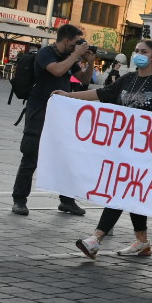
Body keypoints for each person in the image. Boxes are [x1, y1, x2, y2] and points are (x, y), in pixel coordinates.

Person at [59, 39, 152, 259]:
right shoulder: (128, 79)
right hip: (123, 149)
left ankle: (96, 239)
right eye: (136, 51)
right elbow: (101, 94)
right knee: (131, 195)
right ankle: (142, 243)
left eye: (144, 52)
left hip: (145, 152)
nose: (138, 54)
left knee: (121, 193)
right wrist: (68, 96)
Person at [11, 24, 96, 216]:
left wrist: (89, 62)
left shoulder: (69, 57)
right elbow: (57, 71)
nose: (78, 46)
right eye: (76, 43)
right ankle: (19, 199)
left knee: (66, 156)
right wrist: (75, 55)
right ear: (66, 40)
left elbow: (83, 80)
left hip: (61, 112)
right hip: (39, 109)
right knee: (31, 154)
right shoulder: (45, 53)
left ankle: (67, 201)